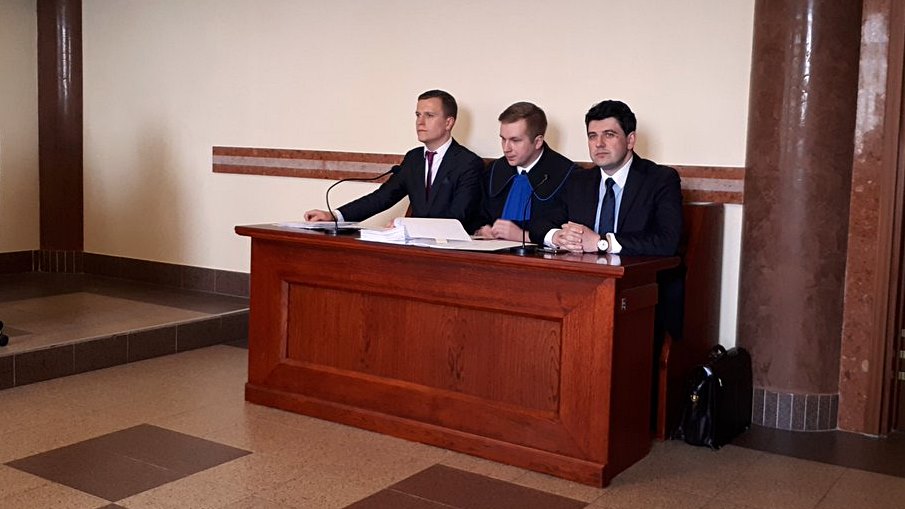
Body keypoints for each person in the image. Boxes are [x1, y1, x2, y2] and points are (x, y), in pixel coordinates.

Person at [305, 90, 484, 232]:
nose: (420, 122)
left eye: (429, 115)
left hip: (451, 251)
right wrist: (335, 216)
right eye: (417, 115)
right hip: (414, 248)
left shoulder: (468, 163)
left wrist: (407, 225)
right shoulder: (414, 158)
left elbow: (458, 217)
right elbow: (383, 197)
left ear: (448, 123)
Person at [541, 100, 682, 257]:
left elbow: (667, 241)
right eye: (592, 136)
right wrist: (559, 237)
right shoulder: (578, 181)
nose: (599, 144)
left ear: (630, 140)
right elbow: (540, 224)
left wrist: (602, 243)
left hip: (637, 270)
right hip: (585, 269)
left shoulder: (660, 179)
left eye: (609, 135)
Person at [476, 102, 574, 243]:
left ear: (538, 142)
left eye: (515, 140)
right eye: (503, 139)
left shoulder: (568, 174)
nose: (506, 148)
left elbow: (563, 229)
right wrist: (482, 229)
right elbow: (478, 215)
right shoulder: (495, 169)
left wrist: (523, 235)